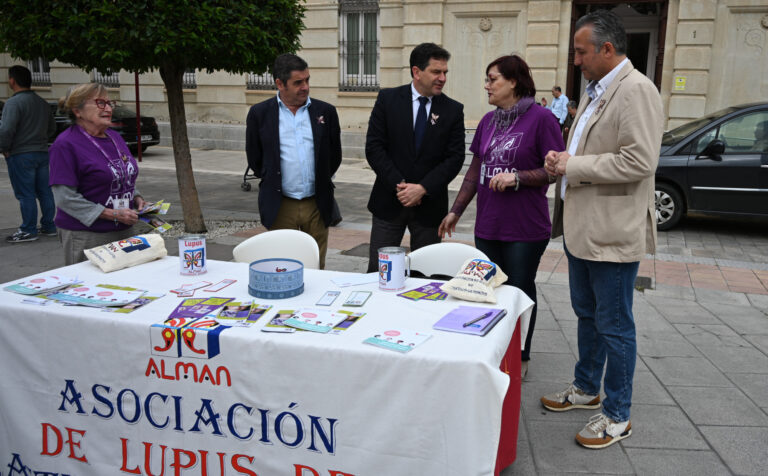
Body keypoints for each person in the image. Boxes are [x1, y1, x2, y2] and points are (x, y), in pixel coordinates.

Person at [541, 9, 664, 449]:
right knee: (588, 315)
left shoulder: (635, 91)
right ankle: (586, 386)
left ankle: (617, 414)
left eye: (581, 51)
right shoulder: (597, 91)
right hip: (584, 229)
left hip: (612, 232)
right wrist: (563, 160)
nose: (575, 60)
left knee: (614, 325)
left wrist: (575, 164)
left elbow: (639, 161)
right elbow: (590, 149)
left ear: (607, 49)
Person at [438, 55, 564, 379]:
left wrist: (517, 177)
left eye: (492, 79)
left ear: (514, 81)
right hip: (489, 224)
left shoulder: (542, 119)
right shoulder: (488, 122)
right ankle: (493, 349)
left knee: (520, 290)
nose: (486, 85)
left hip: (525, 227)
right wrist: (456, 211)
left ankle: (521, 353)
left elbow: (554, 171)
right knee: (489, 290)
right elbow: (475, 170)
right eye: (487, 79)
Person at [365, 43, 465, 272]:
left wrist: (422, 188)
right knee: (378, 273)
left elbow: (455, 158)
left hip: (429, 207)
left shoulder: (452, 110)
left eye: (445, 73)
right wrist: (401, 187)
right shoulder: (388, 100)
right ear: (416, 72)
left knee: (427, 275)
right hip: (389, 202)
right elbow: (374, 148)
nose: (442, 78)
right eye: (436, 72)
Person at [246, 54, 341, 269]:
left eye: (307, 80)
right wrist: (273, 178)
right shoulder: (259, 114)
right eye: (298, 82)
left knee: (316, 265)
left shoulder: (325, 112)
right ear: (280, 83)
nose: (305, 87)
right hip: (281, 204)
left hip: (316, 202)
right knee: (283, 264)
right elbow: (255, 157)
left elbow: (334, 155)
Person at [49, 83, 146, 265]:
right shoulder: (65, 144)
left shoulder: (114, 137)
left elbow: (120, 174)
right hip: (87, 234)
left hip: (123, 228)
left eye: (110, 103)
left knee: (126, 287)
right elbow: (65, 198)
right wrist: (112, 214)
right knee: (92, 289)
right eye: (100, 103)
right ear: (78, 110)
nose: (108, 108)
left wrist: (137, 197)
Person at [0, 65, 57, 243]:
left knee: (25, 193)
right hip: (41, 152)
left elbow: (6, 129)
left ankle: (28, 229)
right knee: (44, 192)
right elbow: (52, 128)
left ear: (12, 80)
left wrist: (4, 148)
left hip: (20, 154)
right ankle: (49, 226)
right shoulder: (42, 102)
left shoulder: (13, 103)